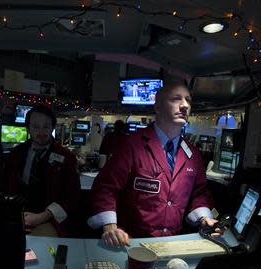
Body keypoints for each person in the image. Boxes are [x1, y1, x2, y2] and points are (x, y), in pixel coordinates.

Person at [88, 81, 221, 247]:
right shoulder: (131, 145)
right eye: (176, 99)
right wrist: (110, 227)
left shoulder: (193, 154)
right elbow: (106, 187)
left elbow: (199, 193)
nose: (185, 105)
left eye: (188, 100)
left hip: (172, 245)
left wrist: (204, 218)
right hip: (130, 242)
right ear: (157, 107)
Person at [3, 105, 81, 237]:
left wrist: (42, 217)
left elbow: (72, 196)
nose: (41, 132)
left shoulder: (66, 156)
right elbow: (5, 186)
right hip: (16, 214)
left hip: (49, 218)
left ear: (52, 127)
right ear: (28, 128)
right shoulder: (17, 153)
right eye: (35, 127)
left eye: (46, 126)